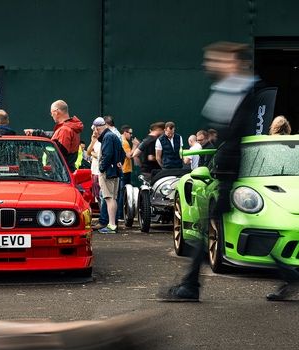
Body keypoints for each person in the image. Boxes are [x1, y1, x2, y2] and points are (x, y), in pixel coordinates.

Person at [161, 41, 274, 302]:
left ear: (234, 62)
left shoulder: (240, 91)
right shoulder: (231, 90)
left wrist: (224, 164)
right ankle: (290, 276)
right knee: (230, 226)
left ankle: (190, 286)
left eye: (217, 60)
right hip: (226, 170)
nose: (210, 65)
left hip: (229, 172)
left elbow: (234, 137)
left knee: (209, 227)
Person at [24, 100, 84, 171]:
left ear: (56, 112)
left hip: (61, 174)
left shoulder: (65, 130)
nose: (52, 115)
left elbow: (58, 156)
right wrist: (35, 132)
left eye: (52, 113)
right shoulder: (70, 127)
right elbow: (55, 135)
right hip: (67, 172)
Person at [96, 117, 123, 234]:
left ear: (97, 128)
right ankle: (112, 224)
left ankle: (111, 225)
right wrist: (119, 162)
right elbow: (122, 153)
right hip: (114, 171)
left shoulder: (107, 137)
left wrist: (101, 168)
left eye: (95, 130)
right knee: (112, 198)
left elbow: (107, 155)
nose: (95, 132)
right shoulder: (113, 136)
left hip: (108, 172)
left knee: (109, 198)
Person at [86, 118, 105, 227]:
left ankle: (103, 218)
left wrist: (93, 154)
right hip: (94, 171)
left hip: (99, 171)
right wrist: (93, 141)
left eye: (95, 130)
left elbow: (100, 156)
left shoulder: (104, 140)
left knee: (102, 196)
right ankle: (102, 217)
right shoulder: (95, 140)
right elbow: (88, 152)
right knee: (97, 196)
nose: (94, 132)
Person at [117, 125, 139, 217]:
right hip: (125, 170)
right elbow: (129, 155)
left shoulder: (123, 140)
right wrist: (135, 145)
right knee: (123, 193)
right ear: (125, 132)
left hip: (125, 169)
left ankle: (121, 214)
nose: (131, 135)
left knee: (122, 192)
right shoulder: (124, 142)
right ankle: (120, 214)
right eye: (130, 133)